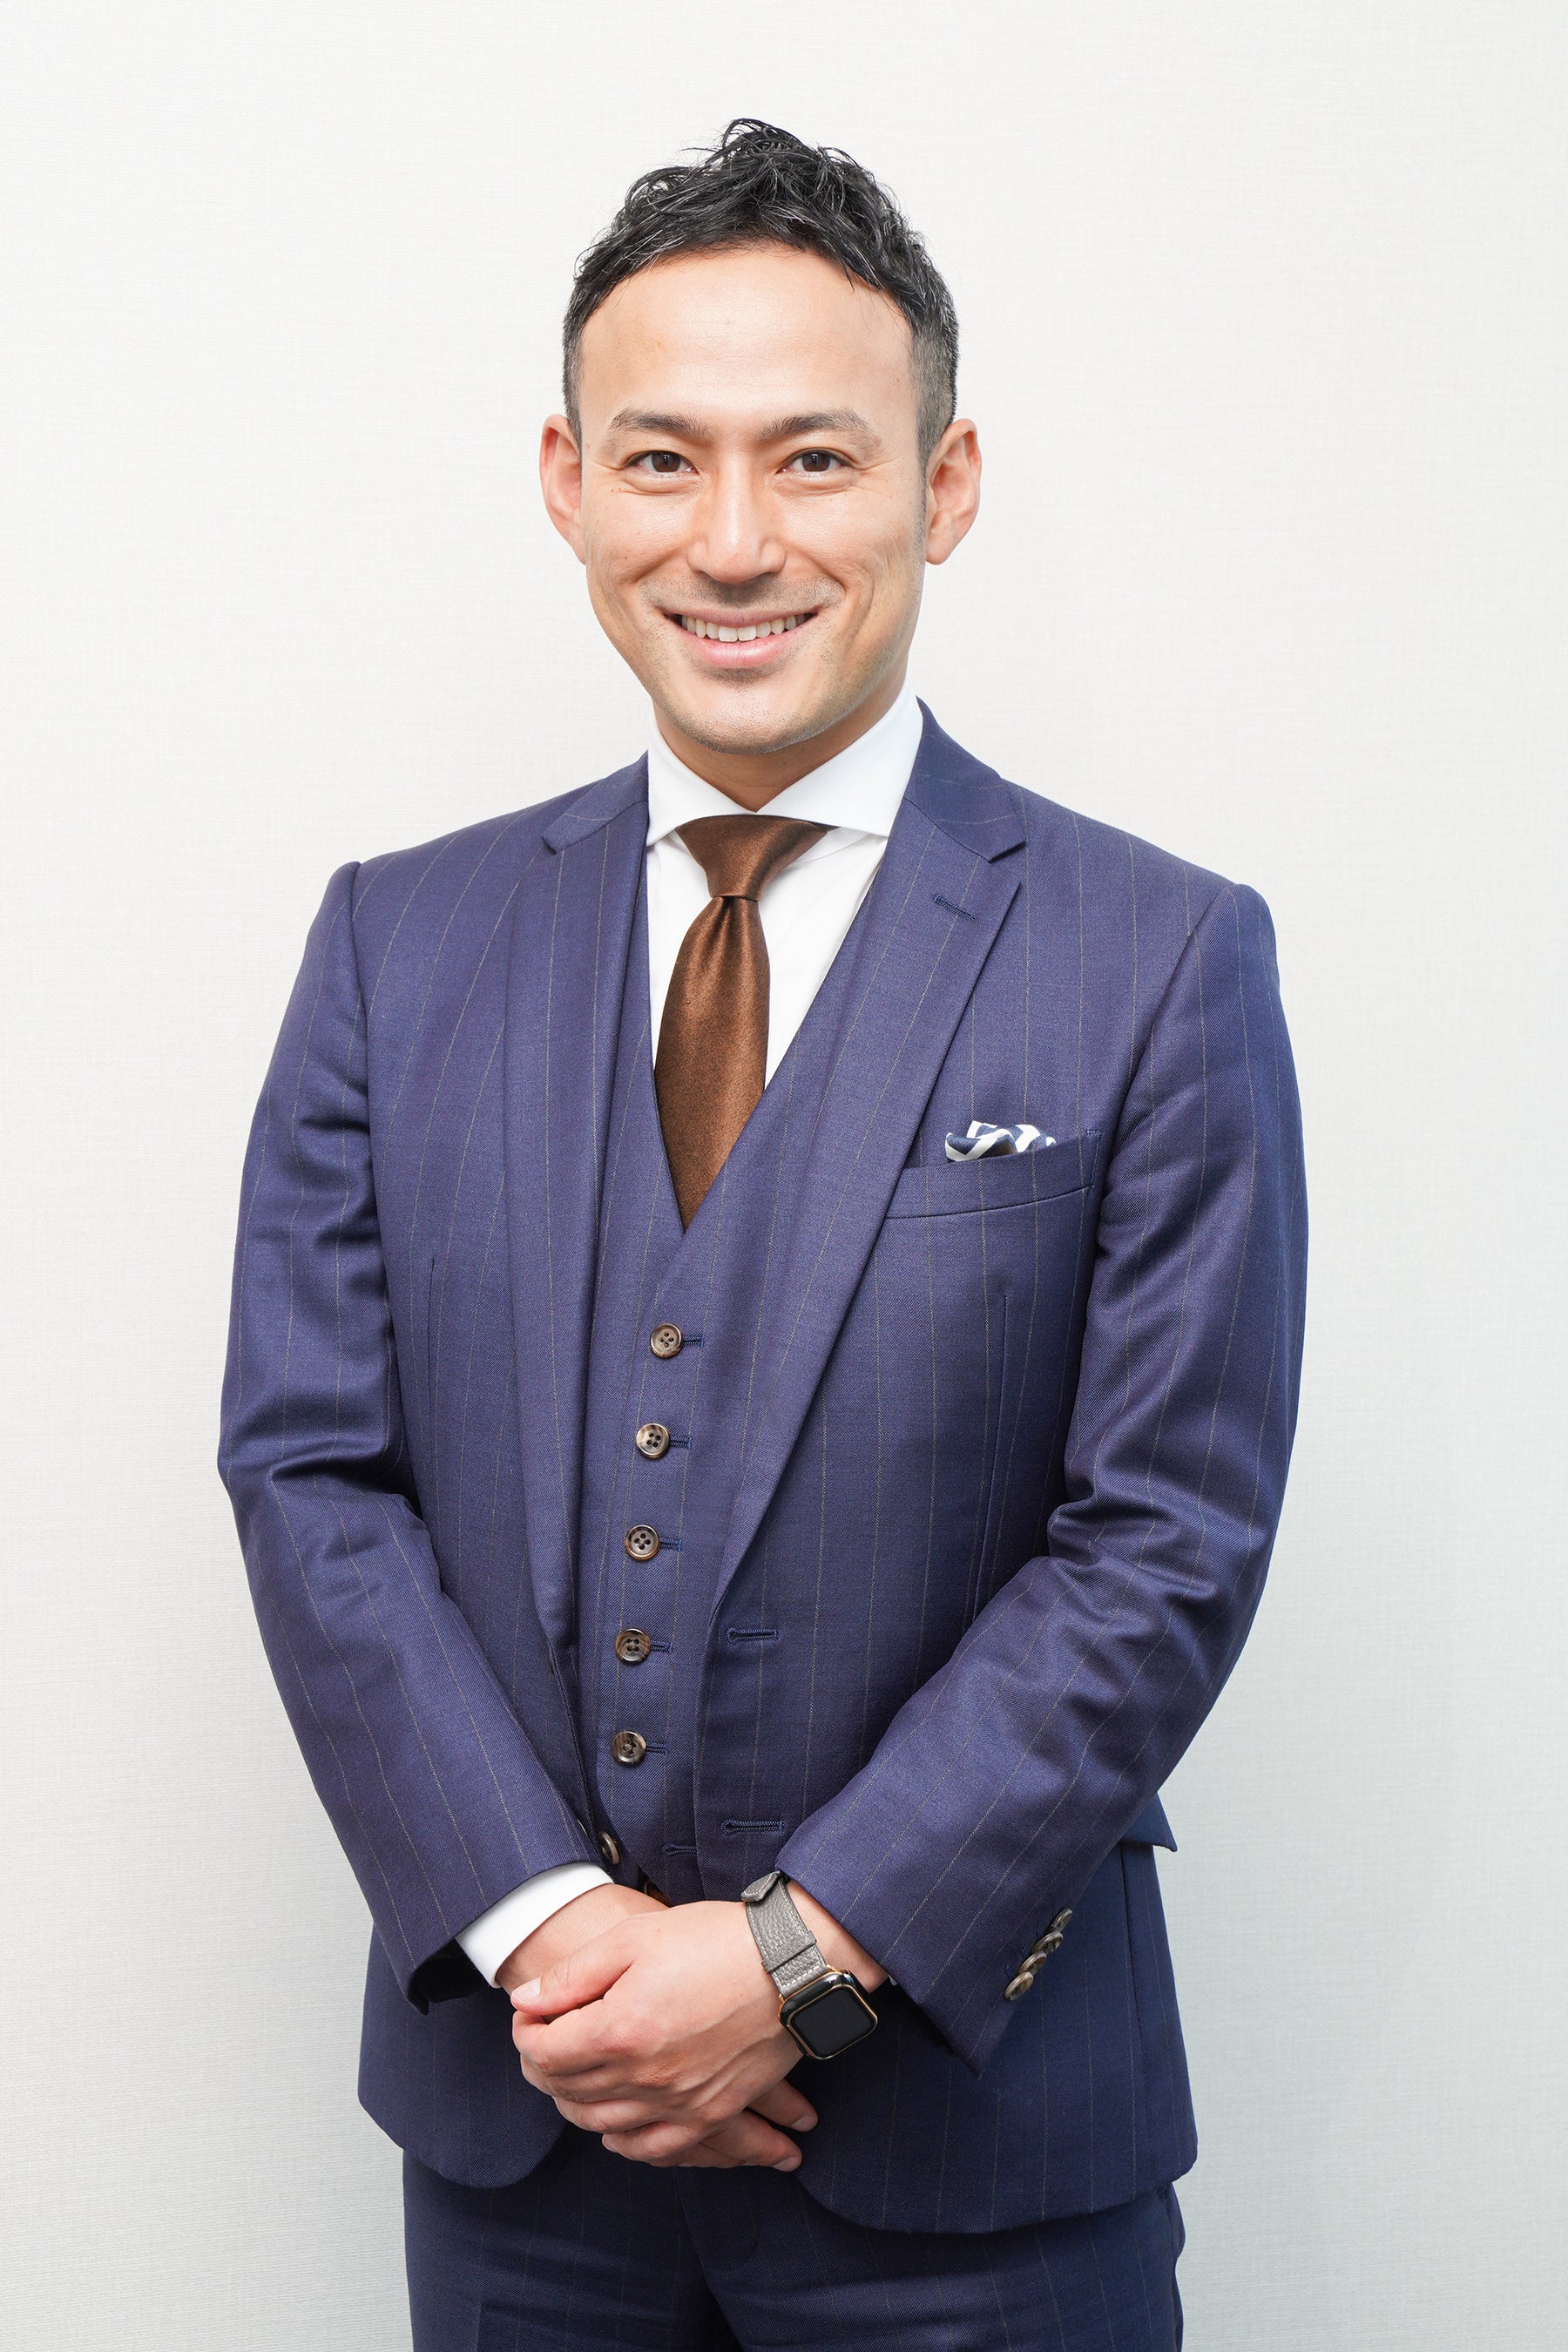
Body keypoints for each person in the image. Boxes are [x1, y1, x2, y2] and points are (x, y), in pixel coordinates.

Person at [220, 118, 1306, 2351]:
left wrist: (799, 1960)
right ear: (567, 486)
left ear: (945, 484)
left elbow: (1166, 1538)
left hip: (977, 2173)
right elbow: (311, 1474)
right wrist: (553, 1937)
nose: (733, 541)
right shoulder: (392, 947)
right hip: (527, 2143)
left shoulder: (1160, 957)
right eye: (663, 460)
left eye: (815, 458)